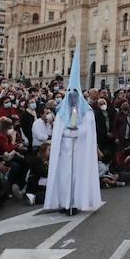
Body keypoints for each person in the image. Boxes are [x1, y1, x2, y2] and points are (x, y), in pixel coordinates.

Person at [45, 50, 102, 215]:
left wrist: (77, 132)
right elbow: (58, 131)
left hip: (79, 150)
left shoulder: (87, 112)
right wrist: (67, 132)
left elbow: (88, 131)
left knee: (77, 177)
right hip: (65, 149)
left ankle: (76, 202)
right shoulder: (62, 111)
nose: (72, 97)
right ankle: (64, 203)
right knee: (64, 177)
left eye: (75, 94)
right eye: (70, 93)